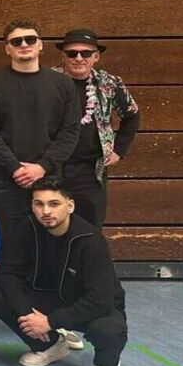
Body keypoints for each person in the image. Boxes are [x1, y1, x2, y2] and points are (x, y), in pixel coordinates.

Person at [0, 19, 80, 345]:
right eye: (16, 41)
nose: (23, 46)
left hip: (49, 182)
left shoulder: (62, 85)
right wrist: (15, 167)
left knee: (50, 252)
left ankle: (54, 319)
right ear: (7, 48)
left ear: (40, 44)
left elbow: (70, 132)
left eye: (29, 40)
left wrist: (42, 167)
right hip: (4, 183)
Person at [0, 177, 127, 366]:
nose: (46, 211)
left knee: (108, 329)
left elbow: (101, 299)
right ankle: (50, 345)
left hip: (91, 305)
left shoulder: (91, 240)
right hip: (49, 298)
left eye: (54, 204)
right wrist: (28, 313)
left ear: (70, 206)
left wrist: (50, 321)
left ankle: (107, 365)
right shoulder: (26, 228)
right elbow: (8, 274)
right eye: (39, 204)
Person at [53, 29, 141, 228]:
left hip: (91, 169)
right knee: (51, 222)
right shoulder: (47, 81)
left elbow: (132, 115)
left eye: (85, 53)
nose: (78, 58)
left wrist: (119, 150)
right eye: (72, 53)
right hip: (53, 166)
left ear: (96, 57)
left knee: (90, 226)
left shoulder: (109, 83)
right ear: (63, 56)